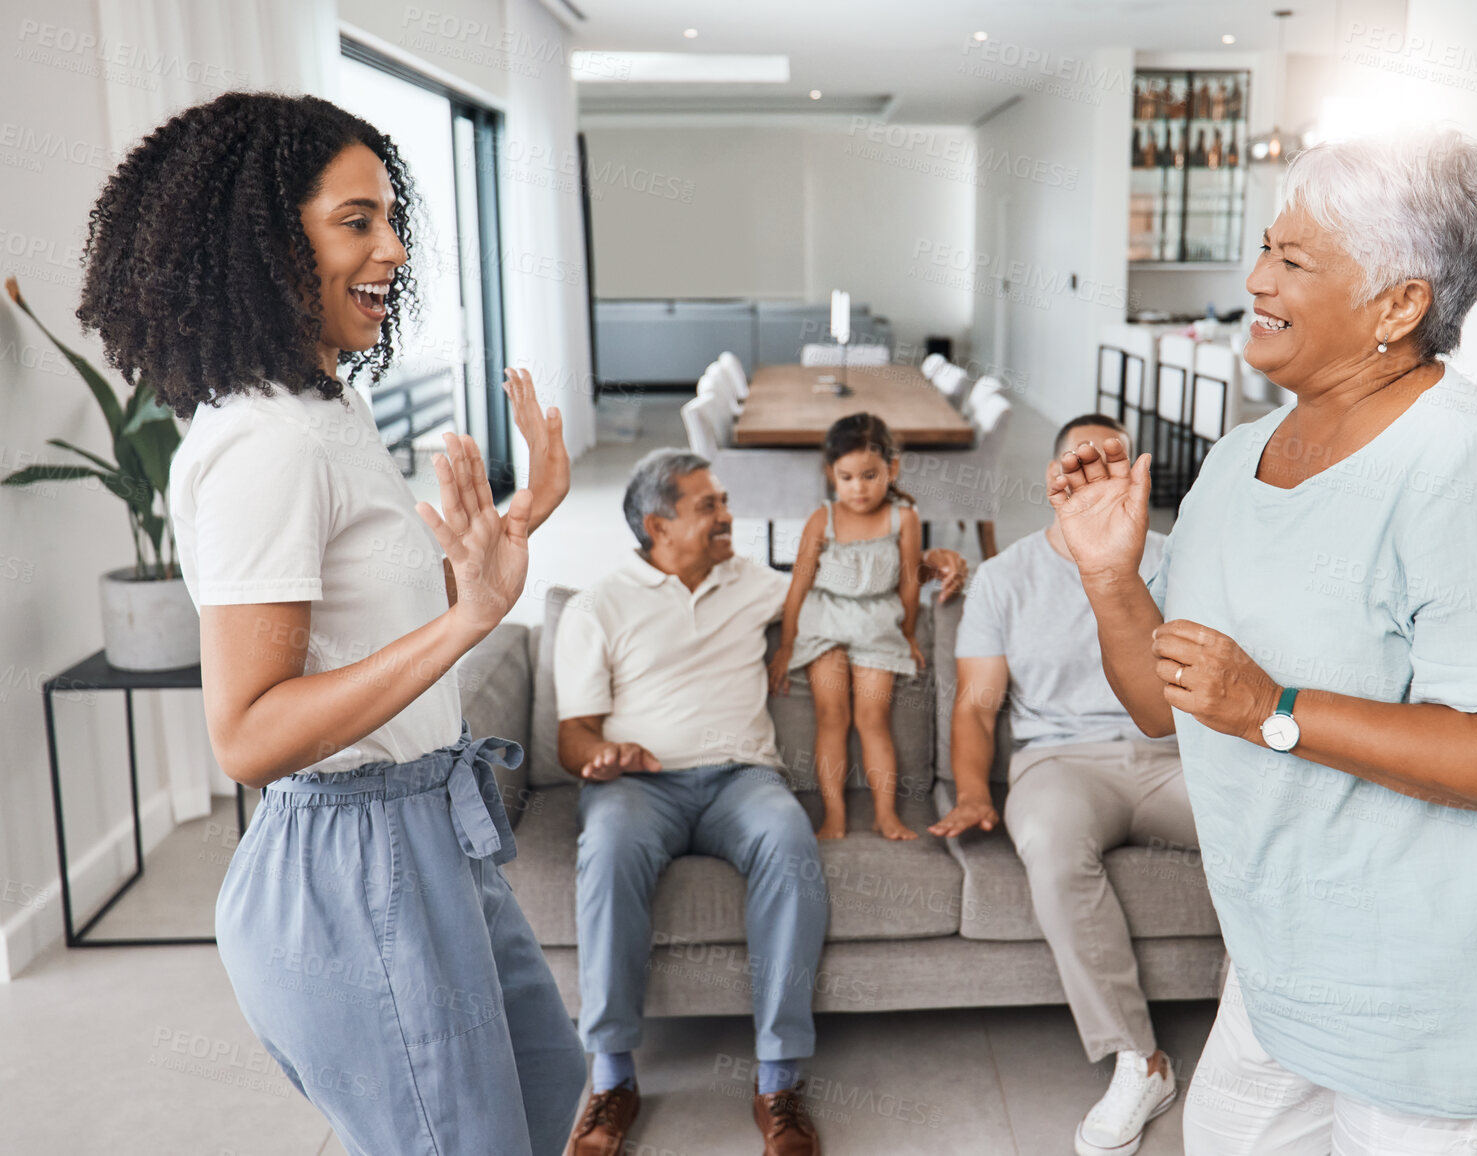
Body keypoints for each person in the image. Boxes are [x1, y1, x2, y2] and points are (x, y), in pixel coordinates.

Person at [1049, 127, 1477, 1156]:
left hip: (1431, 988)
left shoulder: (1464, 466)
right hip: (1279, 960)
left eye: (1291, 260)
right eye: (1263, 249)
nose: (1252, 277)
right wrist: (1110, 580)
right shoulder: (1241, 458)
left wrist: (1274, 710)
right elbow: (1167, 705)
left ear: (1397, 304)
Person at [80, 93, 584, 1155]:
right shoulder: (266, 445)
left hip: (427, 822)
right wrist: (472, 622)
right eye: (357, 221)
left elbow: (381, 628)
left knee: (547, 1074)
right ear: (263, 243)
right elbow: (249, 733)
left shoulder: (328, 410)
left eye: (390, 220)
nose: (393, 249)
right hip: (348, 863)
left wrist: (510, 529)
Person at [555, 448, 965, 1156]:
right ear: (658, 525)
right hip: (637, 788)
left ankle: (777, 1081)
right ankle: (613, 1079)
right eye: (707, 507)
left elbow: (849, 583)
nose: (728, 517)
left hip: (741, 780)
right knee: (608, 849)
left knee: (789, 842)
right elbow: (571, 735)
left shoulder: (755, 584)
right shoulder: (598, 605)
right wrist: (601, 756)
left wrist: (929, 565)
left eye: (723, 502)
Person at [929, 413, 1196, 1156]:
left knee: (1274, 826)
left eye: (1116, 464)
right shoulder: (1005, 577)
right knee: (1045, 838)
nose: (1101, 476)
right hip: (1061, 763)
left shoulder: (1181, 559)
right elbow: (977, 705)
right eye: (1084, 464)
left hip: (1175, 755)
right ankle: (1140, 1060)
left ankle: (1285, 1030)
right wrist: (975, 790)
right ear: (1057, 483)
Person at [769, 413, 925, 841]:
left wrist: (908, 634)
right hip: (825, 625)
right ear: (831, 474)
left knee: (873, 719)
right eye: (848, 476)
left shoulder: (904, 519)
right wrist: (786, 644)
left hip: (877, 625)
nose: (859, 487)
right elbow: (798, 584)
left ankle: (885, 814)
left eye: (870, 475)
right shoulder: (822, 519)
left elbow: (910, 584)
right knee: (831, 716)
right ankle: (833, 815)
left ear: (892, 469)